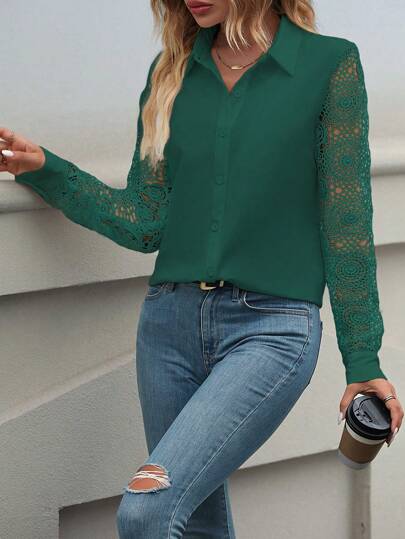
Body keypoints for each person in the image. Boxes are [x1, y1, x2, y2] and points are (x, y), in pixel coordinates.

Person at [1, 1, 403, 537]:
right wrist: (45, 170)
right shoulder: (170, 73)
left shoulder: (329, 65)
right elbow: (145, 222)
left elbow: (346, 222)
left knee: (147, 510)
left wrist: (362, 358)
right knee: (195, 527)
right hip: (167, 328)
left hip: (272, 329)